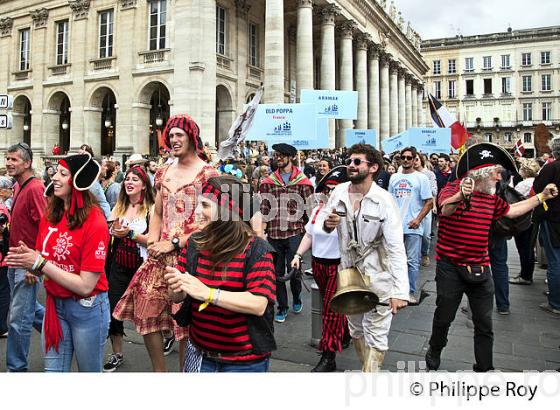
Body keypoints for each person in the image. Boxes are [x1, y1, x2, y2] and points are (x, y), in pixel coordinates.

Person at [425, 143, 558, 371]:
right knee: (444, 317)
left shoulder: (491, 197)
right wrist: (460, 195)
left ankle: (485, 368)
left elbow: (512, 210)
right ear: (483, 173)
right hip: (450, 269)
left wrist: (542, 197)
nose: (500, 177)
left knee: (484, 324)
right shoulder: (451, 188)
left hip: (481, 269)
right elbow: (445, 209)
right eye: (497, 172)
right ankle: (435, 349)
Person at [113, 114, 219, 371]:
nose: (173, 140)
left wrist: (174, 241)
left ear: (192, 138)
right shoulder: (163, 172)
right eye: (170, 135)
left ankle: (185, 374)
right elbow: (158, 212)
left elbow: (213, 222)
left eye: (179, 135)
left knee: (184, 322)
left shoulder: (209, 174)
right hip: (159, 255)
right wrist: (152, 239)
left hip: (192, 254)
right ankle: (160, 372)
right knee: (147, 310)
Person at [6, 153, 111, 372]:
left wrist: (40, 264)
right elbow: (45, 252)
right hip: (56, 307)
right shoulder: (51, 213)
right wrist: (32, 263)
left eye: (63, 173)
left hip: (87, 308)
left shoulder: (95, 221)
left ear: (78, 181)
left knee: (89, 374)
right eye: (55, 172)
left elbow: (85, 286)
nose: (55, 177)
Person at [164, 176, 276, 372]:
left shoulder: (256, 249)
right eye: (198, 204)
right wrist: (176, 285)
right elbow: (178, 296)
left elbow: (258, 304)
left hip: (244, 362)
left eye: (205, 205)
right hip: (199, 353)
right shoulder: (195, 243)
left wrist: (208, 294)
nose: (196, 211)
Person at [323, 144, 409, 372]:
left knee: (376, 331)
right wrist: (327, 224)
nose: (351, 165)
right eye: (349, 161)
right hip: (348, 273)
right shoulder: (338, 192)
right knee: (356, 329)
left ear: (373, 168)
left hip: (378, 274)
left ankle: (369, 379)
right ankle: (368, 370)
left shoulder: (384, 200)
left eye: (357, 162)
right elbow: (324, 223)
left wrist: (400, 292)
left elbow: (396, 247)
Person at [291, 166, 348, 372]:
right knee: (329, 307)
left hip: (338, 266)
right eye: (328, 189)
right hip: (318, 264)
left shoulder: (349, 213)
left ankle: (328, 355)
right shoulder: (317, 210)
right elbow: (309, 235)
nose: (330, 193)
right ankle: (344, 333)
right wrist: (298, 255)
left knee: (332, 311)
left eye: (335, 189)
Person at [103, 166, 155, 372]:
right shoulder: (120, 205)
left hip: (144, 268)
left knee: (148, 313)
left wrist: (131, 234)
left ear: (143, 184)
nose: (129, 182)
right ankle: (117, 353)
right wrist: (113, 231)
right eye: (127, 179)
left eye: (135, 179)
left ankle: (167, 337)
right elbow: (111, 232)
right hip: (119, 265)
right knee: (113, 309)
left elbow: (154, 241)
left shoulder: (151, 207)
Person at [259, 143, 314, 323]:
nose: (278, 158)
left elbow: (309, 209)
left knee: (294, 271)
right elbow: (264, 208)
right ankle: (282, 307)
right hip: (274, 234)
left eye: (282, 155)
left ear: (290, 157)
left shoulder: (303, 182)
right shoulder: (268, 182)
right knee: (276, 273)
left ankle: (297, 297)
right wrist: (263, 232)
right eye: (276, 155)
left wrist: (309, 232)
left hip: (294, 233)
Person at [5, 143, 46, 372]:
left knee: (17, 320)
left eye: (14, 159)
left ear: (27, 163)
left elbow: (44, 226)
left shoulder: (35, 188)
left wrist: (35, 266)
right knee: (30, 310)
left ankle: (16, 370)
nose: (9, 163)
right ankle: (63, 333)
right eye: (8, 159)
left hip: (26, 264)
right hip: (15, 261)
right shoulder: (19, 186)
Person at [388, 147, 433, 302]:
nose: (406, 160)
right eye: (403, 157)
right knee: (393, 259)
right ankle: (395, 289)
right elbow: (390, 201)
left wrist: (418, 219)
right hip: (395, 226)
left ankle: (410, 291)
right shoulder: (394, 177)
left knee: (412, 261)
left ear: (415, 160)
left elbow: (429, 202)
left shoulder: (422, 178)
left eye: (409, 158)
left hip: (413, 226)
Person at [533, 136, 560, 316]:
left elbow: (538, 187)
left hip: (554, 220)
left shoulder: (551, 168)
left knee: (556, 260)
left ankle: (556, 302)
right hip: (554, 219)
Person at [413, 153, 438, 267]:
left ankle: (425, 253)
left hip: (426, 206)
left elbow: (433, 191)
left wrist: (433, 205)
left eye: (416, 159)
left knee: (426, 234)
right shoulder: (408, 173)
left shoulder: (429, 174)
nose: (414, 161)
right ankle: (414, 256)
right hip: (413, 207)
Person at [78, 144, 111, 219]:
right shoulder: (93, 186)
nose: (106, 168)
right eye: (104, 165)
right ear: (98, 167)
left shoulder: (95, 184)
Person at [0, 182, 11, 338]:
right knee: (3, 290)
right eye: (9, 188)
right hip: (2, 257)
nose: (11, 191)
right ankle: (1, 326)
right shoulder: (2, 209)